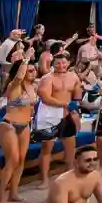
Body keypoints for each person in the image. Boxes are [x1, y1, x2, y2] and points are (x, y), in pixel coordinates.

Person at [35, 52, 83, 187]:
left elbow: (77, 94)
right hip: (49, 114)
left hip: (67, 114)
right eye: (58, 63)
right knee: (46, 148)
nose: (61, 65)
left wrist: (75, 108)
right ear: (53, 65)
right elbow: (45, 98)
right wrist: (65, 104)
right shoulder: (47, 78)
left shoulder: (73, 77)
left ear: (68, 63)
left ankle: (70, 175)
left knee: (70, 147)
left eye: (63, 63)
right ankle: (44, 179)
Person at [0, 52, 37, 203]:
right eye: (29, 70)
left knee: (20, 161)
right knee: (12, 161)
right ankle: (0, 198)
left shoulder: (33, 87)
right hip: (9, 125)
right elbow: (19, 76)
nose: (32, 72)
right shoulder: (15, 85)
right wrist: (25, 59)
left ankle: (13, 193)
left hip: (25, 125)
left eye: (34, 70)